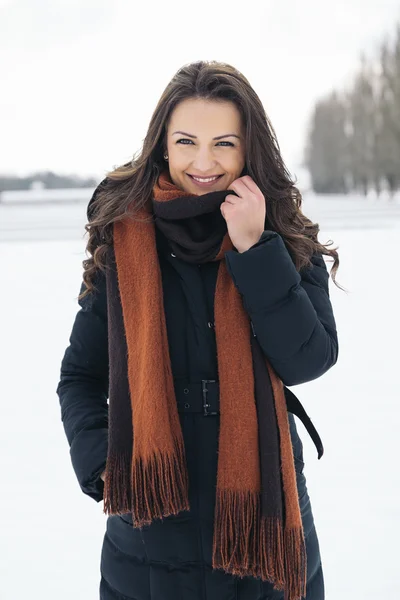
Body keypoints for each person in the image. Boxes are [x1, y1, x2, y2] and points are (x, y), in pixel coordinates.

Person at [56, 60, 340, 600]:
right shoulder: (126, 238)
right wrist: (103, 468)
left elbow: (308, 359)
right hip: (150, 531)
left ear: (248, 148)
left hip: (264, 528)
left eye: (224, 143)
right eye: (187, 141)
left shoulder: (279, 229)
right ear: (162, 144)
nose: (203, 162)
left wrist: (257, 250)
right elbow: (79, 376)